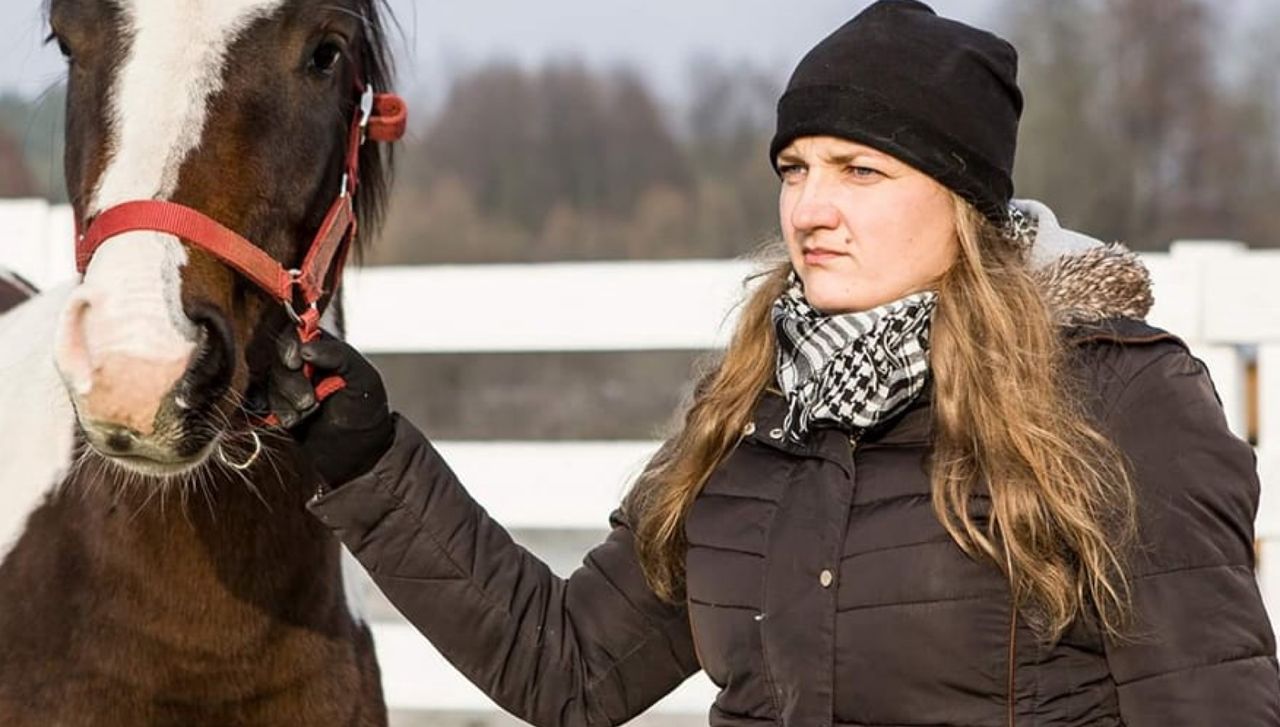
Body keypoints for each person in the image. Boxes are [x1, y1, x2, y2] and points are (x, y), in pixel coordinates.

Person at [262, 1, 1280, 724]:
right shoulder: (756, 406)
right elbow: (566, 669)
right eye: (794, 168)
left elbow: (1206, 701)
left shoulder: (1113, 399)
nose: (809, 208)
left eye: (859, 170)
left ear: (960, 198)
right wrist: (369, 458)